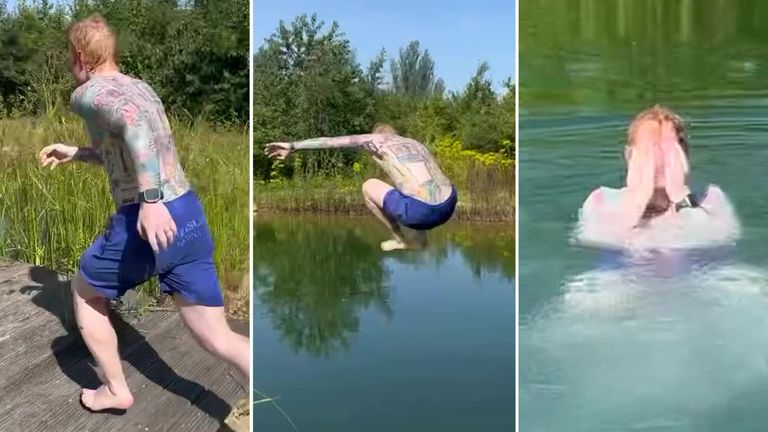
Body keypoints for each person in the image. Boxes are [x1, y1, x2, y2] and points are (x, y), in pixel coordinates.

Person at [37, 15, 249, 411]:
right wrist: (78, 152)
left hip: (145, 219)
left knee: (84, 295)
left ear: (81, 56)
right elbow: (136, 148)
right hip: (188, 215)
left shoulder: (87, 92)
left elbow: (133, 127)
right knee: (219, 337)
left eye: (70, 56)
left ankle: (116, 391)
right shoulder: (141, 87)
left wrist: (150, 202)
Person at [264, 124, 458, 251]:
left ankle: (399, 238)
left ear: (377, 133)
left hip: (418, 213)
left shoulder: (374, 139)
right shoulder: (414, 143)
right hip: (449, 204)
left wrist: (292, 146)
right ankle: (420, 238)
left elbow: (329, 142)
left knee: (369, 186)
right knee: (410, 188)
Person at [576, 105, 739, 249]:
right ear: (630, 155)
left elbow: (719, 239)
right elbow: (594, 240)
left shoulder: (710, 198)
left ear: (684, 155)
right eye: (650, 149)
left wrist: (680, 195)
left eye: (668, 149)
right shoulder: (601, 199)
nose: (659, 159)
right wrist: (638, 199)